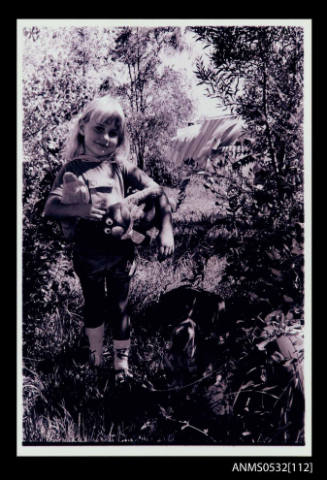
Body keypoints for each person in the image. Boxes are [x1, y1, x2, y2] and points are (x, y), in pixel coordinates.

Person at [43, 95, 174, 384]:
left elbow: (157, 191)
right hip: (87, 255)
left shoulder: (121, 167)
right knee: (93, 304)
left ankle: (121, 365)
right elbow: (50, 208)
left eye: (113, 133)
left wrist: (164, 228)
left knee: (120, 305)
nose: (105, 138)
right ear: (82, 128)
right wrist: (81, 209)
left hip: (120, 254)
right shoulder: (72, 168)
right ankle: (94, 359)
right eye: (99, 129)